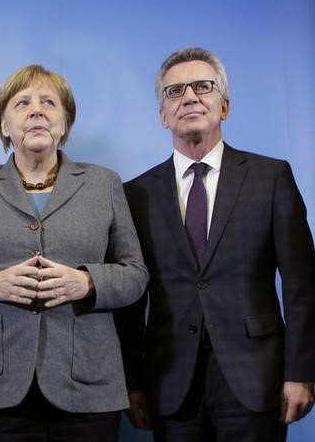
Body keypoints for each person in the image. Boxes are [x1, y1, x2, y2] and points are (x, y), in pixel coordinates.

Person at [0, 64, 149, 442]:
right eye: (22, 103)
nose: (36, 111)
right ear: (3, 125)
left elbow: (136, 273)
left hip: (87, 384)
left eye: (49, 102)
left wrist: (88, 281)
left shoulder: (104, 184)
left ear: (64, 125)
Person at [117, 47, 315, 441]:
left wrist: (301, 373)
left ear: (224, 106)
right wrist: (131, 380)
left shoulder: (271, 177)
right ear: (162, 115)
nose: (189, 97)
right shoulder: (135, 193)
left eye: (202, 87)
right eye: (174, 92)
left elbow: (302, 288)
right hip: (170, 383)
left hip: (255, 378)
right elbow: (130, 300)